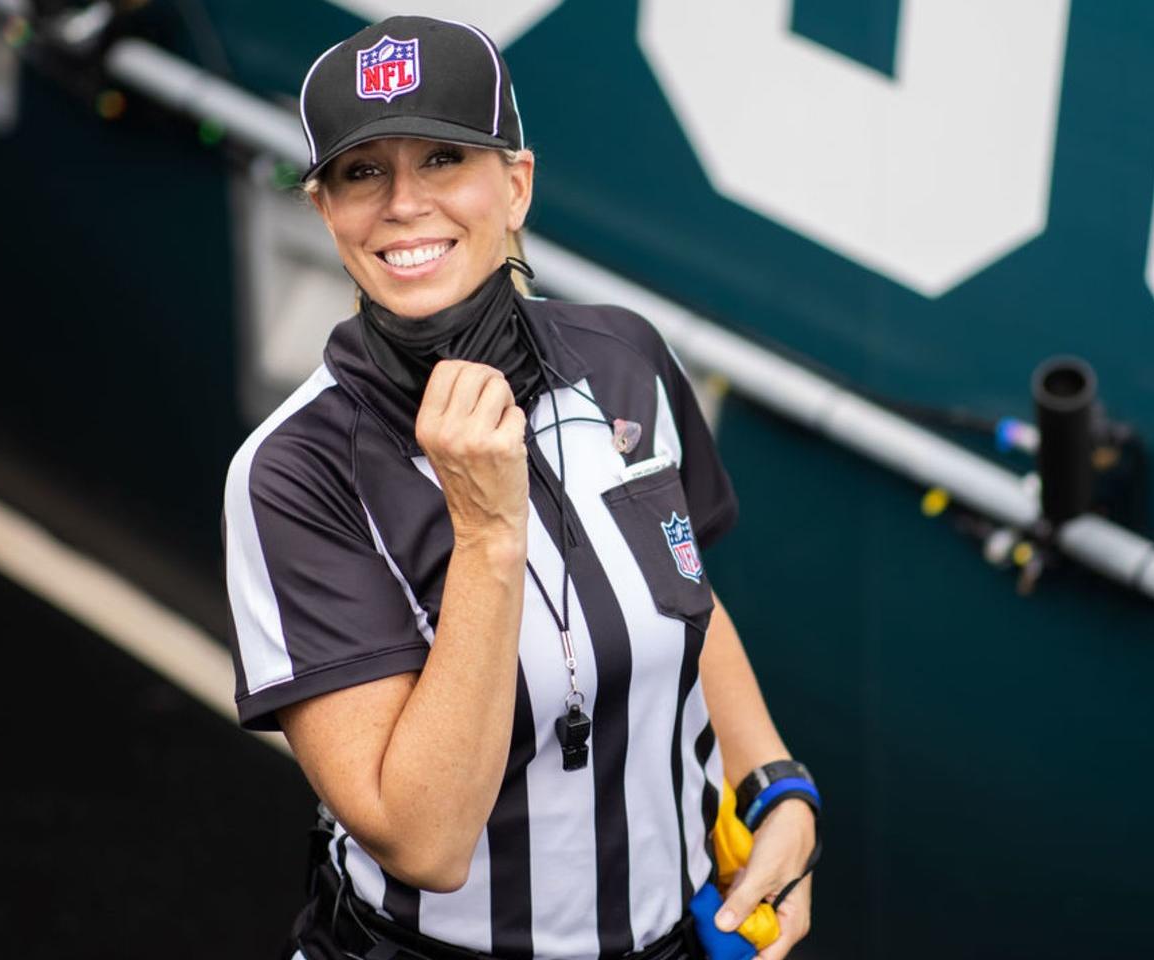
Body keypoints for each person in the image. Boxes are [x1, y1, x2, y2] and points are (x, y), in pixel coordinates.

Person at [223, 15, 819, 960]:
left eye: (445, 158)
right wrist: (488, 531)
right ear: (326, 212)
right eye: (362, 172)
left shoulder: (625, 358)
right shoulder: (294, 472)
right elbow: (423, 841)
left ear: (516, 186)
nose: (404, 204)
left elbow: (683, 591)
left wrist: (776, 785)